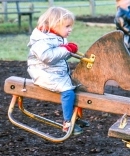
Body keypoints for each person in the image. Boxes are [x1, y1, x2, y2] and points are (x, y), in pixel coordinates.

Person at [27, 7, 89, 135]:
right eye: (67, 26)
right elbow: (47, 57)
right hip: (43, 73)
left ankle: (74, 117)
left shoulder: (58, 37)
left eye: (70, 26)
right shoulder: (42, 40)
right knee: (68, 91)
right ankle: (67, 123)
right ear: (55, 24)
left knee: (77, 86)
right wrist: (67, 49)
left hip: (54, 71)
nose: (70, 29)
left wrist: (69, 51)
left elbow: (60, 55)